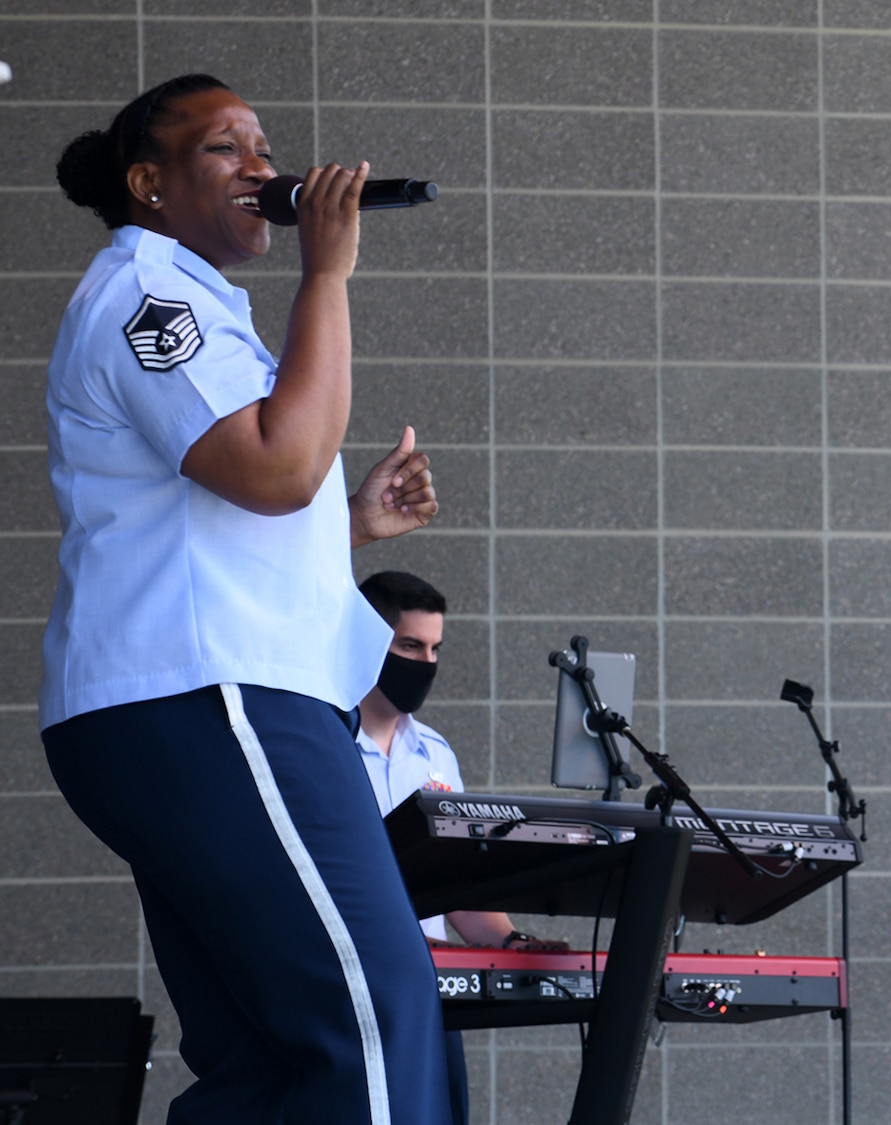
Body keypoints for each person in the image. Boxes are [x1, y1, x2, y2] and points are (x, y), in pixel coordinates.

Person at [41, 74, 448, 1124]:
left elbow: (228, 505)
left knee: (265, 1055)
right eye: (226, 149)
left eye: (265, 147)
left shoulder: (189, 304)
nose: (263, 169)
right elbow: (274, 469)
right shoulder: (147, 295)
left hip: (191, 703)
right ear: (149, 183)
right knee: (373, 1007)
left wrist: (346, 526)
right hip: (210, 697)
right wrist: (330, 274)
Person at [353, 570, 566, 1125]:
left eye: (434, 648)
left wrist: (513, 942)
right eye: (409, 646)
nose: (425, 662)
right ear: (366, 640)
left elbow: (459, 892)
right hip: (351, 985)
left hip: (432, 991)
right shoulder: (322, 742)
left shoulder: (436, 756)